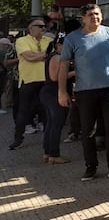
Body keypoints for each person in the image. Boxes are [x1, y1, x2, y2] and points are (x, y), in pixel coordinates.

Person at [58, 4, 109, 182]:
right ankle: (90, 166)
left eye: (97, 14)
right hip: (84, 91)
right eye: (91, 14)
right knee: (88, 131)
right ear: (83, 18)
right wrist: (62, 91)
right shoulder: (73, 38)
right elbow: (63, 65)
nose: (95, 17)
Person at [9, 19, 52, 150]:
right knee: (23, 111)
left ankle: (49, 140)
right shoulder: (22, 41)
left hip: (46, 80)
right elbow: (29, 57)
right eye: (39, 26)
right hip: (28, 80)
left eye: (44, 26)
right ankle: (18, 138)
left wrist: (37, 55)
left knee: (46, 110)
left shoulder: (49, 41)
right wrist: (45, 55)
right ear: (31, 28)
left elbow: (54, 55)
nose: (43, 28)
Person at [40, 32, 74, 164]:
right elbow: (55, 77)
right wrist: (74, 72)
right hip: (54, 94)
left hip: (49, 93)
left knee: (51, 123)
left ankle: (48, 152)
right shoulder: (57, 58)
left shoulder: (55, 56)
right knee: (56, 124)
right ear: (59, 45)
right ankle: (53, 153)